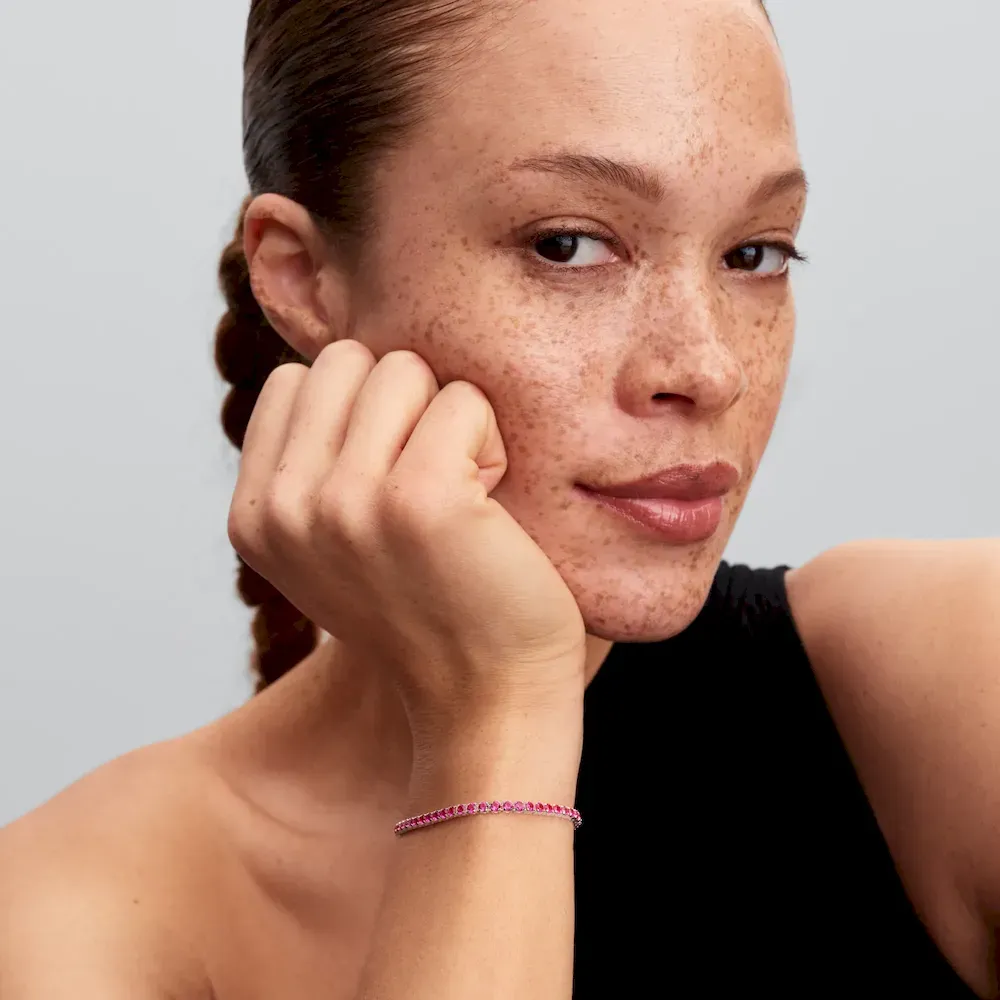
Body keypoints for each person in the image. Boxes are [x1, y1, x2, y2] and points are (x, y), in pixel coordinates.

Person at [1, 0, 997, 996]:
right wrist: (500, 718)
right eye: (568, 246)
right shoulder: (73, 918)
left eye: (755, 254)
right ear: (302, 276)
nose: (706, 368)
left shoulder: (941, 687)